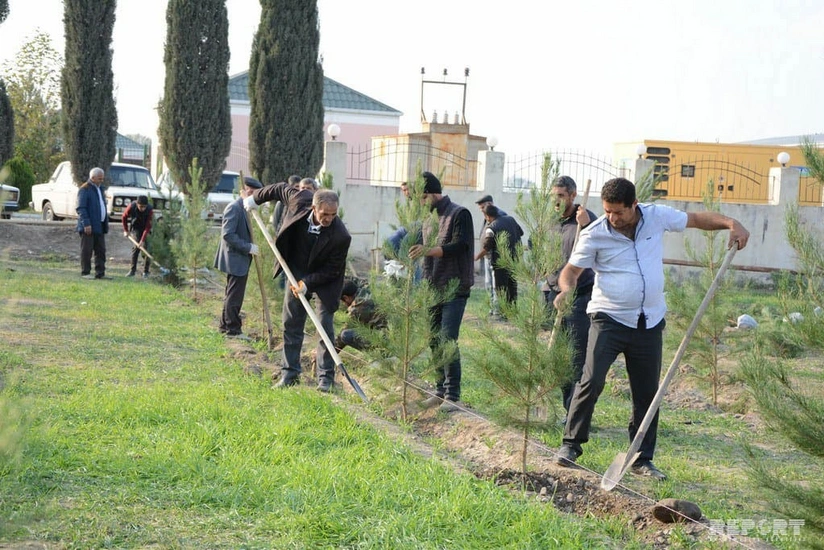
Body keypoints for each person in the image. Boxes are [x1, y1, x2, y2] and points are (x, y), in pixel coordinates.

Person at [554, 177, 750, 480]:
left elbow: (696, 219)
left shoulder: (656, 216)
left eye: (618, 212)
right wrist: (566, 290)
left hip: (649, 322)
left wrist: (731, 223)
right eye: (607, 211)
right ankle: (571, 444)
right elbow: (571, 271)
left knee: (647, 392)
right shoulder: (595, 233)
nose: (612, 218)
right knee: (591, 381)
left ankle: (641, 458)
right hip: (609, 318)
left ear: (634, 204)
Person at [244, 183, 351, 392]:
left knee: (324, 327)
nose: (329, 219)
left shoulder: (341, 235)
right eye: (324, 214)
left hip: (325, 281)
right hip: (296, 271)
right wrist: (255, 199)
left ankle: (326, 379)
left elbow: (332, 270)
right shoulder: (299, 199)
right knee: (291, 323)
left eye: (333, 214)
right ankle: (290, 374)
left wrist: (307, 283)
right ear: (313, 207)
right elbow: (277, 189)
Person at [409, 172, 474, 412]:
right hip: (432, 286)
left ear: (431, 194)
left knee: (447, 339)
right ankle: (439, 391)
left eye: (422, 197)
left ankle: (453, 396)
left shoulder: (460, 214)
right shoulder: (428, 219)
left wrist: (428, 250)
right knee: (434, 340)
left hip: (454, 287)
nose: (420, 203)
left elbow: (460, 245)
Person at [545, 176, 597, 414]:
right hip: (553, 294)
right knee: (559, 355)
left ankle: (575, 413)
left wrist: (586, 226)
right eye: (553, 196)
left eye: (561, 196)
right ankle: (565, 407)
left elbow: (599, 245)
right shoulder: (552, 221)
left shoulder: (586, 220)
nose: (556, 201)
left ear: (573, 196)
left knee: (576, 355)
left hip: (579, 297)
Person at [214, 176, 263, 340]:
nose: (256, 197)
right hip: (235, 258)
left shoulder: (246, 208)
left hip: (239, 259)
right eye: (254, 193)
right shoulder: (235, 207)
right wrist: (248, 247)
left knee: (231, 294)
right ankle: (233, 330)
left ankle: (224, 326)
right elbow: (228, 234)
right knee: (235, 296)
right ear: (247, 191)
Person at [476, 203, 523, 309]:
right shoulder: (511, 219)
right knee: (512, 287)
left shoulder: (491, 228)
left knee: (501, 289)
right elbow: (520, 233)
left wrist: (476, 257)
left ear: (487, 216)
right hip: (514, 259)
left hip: (500, 263)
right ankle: (513, 310)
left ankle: (502, 312)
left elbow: (487, 247)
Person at [475, 194, 506, 315]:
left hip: (496, 256)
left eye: (483, 207)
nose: (482, 210)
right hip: (488, 256)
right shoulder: (487, 216)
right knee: (488, 284)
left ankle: (497, 310)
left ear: (490, 204)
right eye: (480, 208)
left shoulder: (500, 216)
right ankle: (492, 308)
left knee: (495, 285)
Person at [76, 167, 109, 279]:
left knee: (101, 250)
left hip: (100, 225)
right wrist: (86, 223)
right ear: (93, 178)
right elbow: (81, 208)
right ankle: (86, 272)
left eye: (102, 178)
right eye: (99, 178)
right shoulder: (84, 189)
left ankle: (100, 273)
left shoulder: (100, 189)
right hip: (89, 226)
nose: (101, 181)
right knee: (87, 250)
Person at [335, 279, 386, 352]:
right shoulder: (366, 291)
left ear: (346, 297)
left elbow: (341, 338)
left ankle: (379, 354)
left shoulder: (358, 307)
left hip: (383, 339)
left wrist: (329, 351)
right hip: (394, 334)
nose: (344, 304)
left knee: (345, 335)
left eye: (343, 301)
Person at [121, 195, 154, 278]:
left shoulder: (150, 210)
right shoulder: (132, 206)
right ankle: (132, 271)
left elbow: (148, 227)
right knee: (136, 248)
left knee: (148, 249)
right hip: (136, 228)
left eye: (144, 207)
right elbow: (124, 217)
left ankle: (146, 272)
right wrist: (126, 230)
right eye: (140, 206)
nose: (142, 209)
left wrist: (142, 240)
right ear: (137, 204)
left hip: (146, 228)